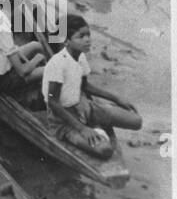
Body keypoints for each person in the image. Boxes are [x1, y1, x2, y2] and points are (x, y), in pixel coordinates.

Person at [42, 15, 142, 159]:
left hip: (85, 107)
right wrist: (82, 129)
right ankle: (91, 128)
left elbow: (85, 86)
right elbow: (52, 102)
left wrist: (117, 98)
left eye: (88, 35)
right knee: (105, 150)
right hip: (64, 120)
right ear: (67, 41)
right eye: (81, 36)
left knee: (136, 121)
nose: (87, 39)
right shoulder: (57, 64)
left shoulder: (80, 56)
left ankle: (95, 123)